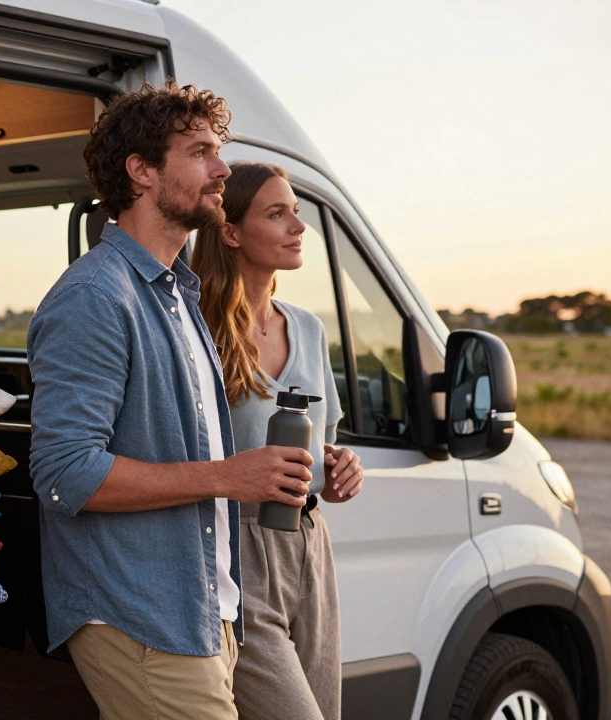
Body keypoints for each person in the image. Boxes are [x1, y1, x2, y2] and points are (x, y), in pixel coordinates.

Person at [26, 82, 318, 720]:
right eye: (201, 153)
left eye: (220, 152)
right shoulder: (96, 298)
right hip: (140, 616)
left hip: (199, 607)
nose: (221, 170)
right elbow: (65, 472)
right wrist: (228, 477)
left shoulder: (177, 294)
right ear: (141, 171)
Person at [191, 161, 365, 720]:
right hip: (237, 548)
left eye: (295, 210)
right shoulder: (197, 329)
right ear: (232, 231)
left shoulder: (307, 328)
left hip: (310, 544)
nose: (298, 225)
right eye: (277, 213)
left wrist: (339, 471)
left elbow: (325, 446)